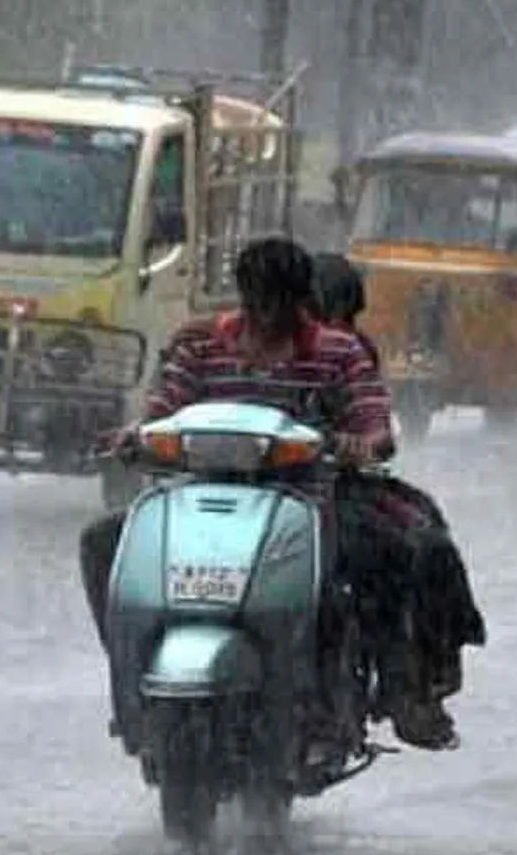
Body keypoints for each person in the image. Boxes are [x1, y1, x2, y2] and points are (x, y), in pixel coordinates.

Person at [79, 237, 461, 750]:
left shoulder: (338, 354)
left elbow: (373, 426)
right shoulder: (200, 345)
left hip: (304, 502)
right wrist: (133, 437)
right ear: (242, 294)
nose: (267, 315)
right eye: (257, 299)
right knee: (102, 543)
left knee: (374, 564)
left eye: (280, 302)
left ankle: (378, 693)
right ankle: (132, 683)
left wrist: (358, 444)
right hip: (198, 497)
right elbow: (161, 410)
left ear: (301, 300)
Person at [309, 251, 487, 708]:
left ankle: (411, 681)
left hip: (331, 487)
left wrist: (355, 443)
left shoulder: (347, 352)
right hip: (264, 488)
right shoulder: (239, 346)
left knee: (418, 542)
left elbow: (373, 422)